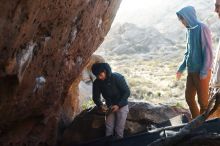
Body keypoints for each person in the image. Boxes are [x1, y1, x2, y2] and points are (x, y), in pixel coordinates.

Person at [176, 6, 213, 119]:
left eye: (182, 18)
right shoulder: (189, 31)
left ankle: (203, 126)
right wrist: (181, 68)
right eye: (180, 19)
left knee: (203, 103)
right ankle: (196, 122)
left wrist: (204, 71)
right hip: (191, 71)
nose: (181, 21)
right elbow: (187, 52)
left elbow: (208, 50)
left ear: (188, 16)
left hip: (202, 72)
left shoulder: (202, 28)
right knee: (189, 98)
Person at [91, 63, 130, 139]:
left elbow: (127, 92)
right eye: (97, 75)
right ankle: (108, 143)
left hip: (121, 105)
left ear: (105, 71)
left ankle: (118, 143)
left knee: (119, 129)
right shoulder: (97, 82)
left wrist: (119, 105)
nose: (99, 77)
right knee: (109, 128)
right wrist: (101, 105)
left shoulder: (117, 77)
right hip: (109, 106)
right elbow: (96, 97)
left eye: (100, 75)